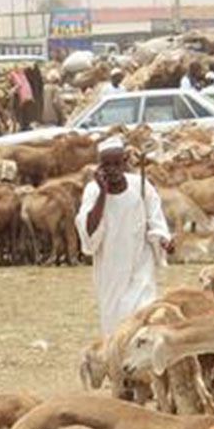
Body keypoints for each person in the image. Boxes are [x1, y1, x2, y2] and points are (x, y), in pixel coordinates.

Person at [75, 137, 173, 336]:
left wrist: (163, 240)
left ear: (125, 162)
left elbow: (156, 221)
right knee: (115, 325)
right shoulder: (93, 191)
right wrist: (103, 193)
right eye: (106, 164)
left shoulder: (142, 186)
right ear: (99, 166)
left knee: (144, 318)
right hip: (111, 270)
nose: (112, 169)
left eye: (116, 163)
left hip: (140, 264)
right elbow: (89, 230)